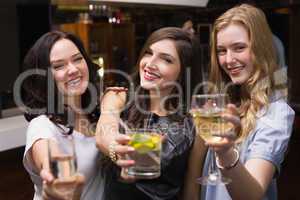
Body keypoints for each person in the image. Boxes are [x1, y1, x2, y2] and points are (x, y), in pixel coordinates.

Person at [184, 4, 295, 200]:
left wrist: (225, 152)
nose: (228, 60)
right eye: (221, 51)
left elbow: (250, 195)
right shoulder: (221, 102)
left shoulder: (276, 112)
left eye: (239, 48)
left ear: (260, 47)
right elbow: (195, 174)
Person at [95, 27, 201, 200]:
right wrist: (117, 150)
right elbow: (104, 132)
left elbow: (191, 190)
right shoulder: (119, 96)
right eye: (148, 53)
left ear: (183, 72)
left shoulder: (194, 122)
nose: (150, 64)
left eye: (166, 59)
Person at [21, 31, 104, 200]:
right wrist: (54, 177)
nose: (73, 69)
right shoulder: (42, 125)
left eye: (77, 59)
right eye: (59, 66)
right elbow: (47, 155)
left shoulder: (98, 114)